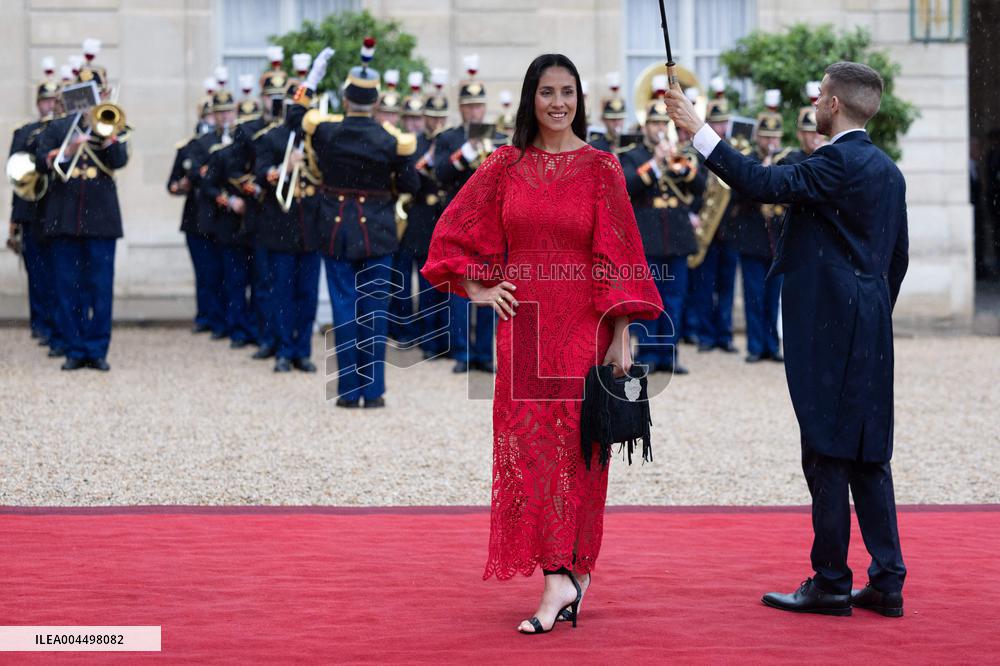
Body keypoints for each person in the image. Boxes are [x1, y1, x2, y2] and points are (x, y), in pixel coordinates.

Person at [421, 53, 662, 634]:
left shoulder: (603, 169)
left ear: (579, 98)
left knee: (578, 450)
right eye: (547, 91)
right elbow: (451, 233)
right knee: (530, 452)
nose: (559, 102)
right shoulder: (503, 166)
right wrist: (478, 287)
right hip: (523, 326)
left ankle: (564, 575)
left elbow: (621, 252)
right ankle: (565, 574)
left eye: (568, 92)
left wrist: (623, 332)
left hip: (585, 324)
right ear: (531, 97)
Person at [665, 61, 909, 617]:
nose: (817, 102)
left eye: (821, 94)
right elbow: (898, 257)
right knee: (870, 450)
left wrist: (696, 127)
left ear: (836, 105)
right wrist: (870, 310)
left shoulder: (836, 163)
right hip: (870, 324)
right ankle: (888, 579)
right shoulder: (888, 170)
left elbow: (759, 183)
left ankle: (830, 581)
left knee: (826, 449)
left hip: (832, 327)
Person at [292, 42, 420, 408]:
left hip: (334, 228)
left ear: (346, 99)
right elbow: (410, 185)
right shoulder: (393, 141)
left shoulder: (324, 130)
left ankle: (348, 392)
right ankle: (374, 391)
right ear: (376, 102)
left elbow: (294, 113)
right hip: (378, 230)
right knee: (375, 311)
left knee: (343, 309)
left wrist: (309, 83)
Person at [34, 58, 130, 372]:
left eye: (97, 91)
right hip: (64, 217)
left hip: (101, 219)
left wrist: (104, 134)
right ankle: (75, 348)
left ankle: (97, 348)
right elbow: (40, 163)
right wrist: (70, 150)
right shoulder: (59, 127)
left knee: (100, 288)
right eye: (85, 92)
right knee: (68, 286)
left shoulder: (114, 125)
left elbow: (118, 160)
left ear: (104, 93)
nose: (92, 98)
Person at [619, 84, 704, 375]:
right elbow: (627, 186)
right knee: (646, 300)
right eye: (654, 123)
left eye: (663, 123)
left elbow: (699, 186)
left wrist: (677, 162)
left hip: (677, 237)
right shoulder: (632, 155)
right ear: (645, 125)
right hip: (647, 237)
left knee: (675, 298)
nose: (658, 128)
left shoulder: (681, 154)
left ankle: (669, 354)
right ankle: (647, 354)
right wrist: (654, 164)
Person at [432, 54, 508, 374]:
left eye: (479, 106)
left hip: (490, 223)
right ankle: (461, 351)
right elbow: (439, 173)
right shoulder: (449, 138)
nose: (475, 111)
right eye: (469, 106)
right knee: (461, 287)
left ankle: (483, 354)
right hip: (459, 222)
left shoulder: (499, 137)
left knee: (490, 285)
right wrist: (464, 153)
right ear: (462, 108)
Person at [733, 91, 791, 364]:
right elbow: (737, 196)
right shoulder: (749, 160)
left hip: (777, 240)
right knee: (754, 296)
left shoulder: (786, 161)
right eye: (767, 137)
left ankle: (772, 344)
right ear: (758, 137)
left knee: (773, 298)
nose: (771, 142)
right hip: (753, 237)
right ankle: (756, 346)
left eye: (775, 138)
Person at [9, 61, 60, 347]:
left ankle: (56, 323)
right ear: (38, 103)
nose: (49, 105)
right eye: (45, 100)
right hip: (31, 209)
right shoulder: (25, 132)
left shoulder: (63, 129)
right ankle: (40, 323)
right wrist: (13, 219)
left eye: (53, 100)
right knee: (37, 271)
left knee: (58, 270)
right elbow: (17, 177)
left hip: (56, 208)